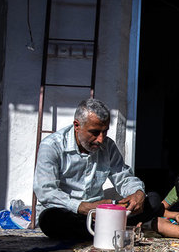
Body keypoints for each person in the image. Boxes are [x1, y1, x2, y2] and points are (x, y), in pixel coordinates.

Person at [33, 98, 162, 239]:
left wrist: (137, 193)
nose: (101, 139)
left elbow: (123, 177)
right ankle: (109, 229)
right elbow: (46, 192)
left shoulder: (108, 146)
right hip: (70, 212)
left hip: (101, 214)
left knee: (153, 200)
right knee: (50, 219)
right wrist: (84, 207)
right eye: (95, 132)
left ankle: (100, 230)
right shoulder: (52, 146)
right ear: (77, 125)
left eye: (105, 132)